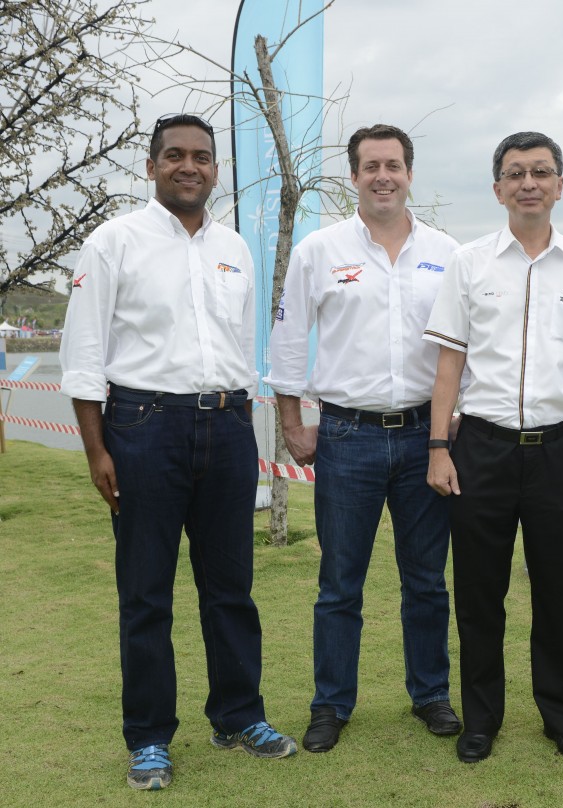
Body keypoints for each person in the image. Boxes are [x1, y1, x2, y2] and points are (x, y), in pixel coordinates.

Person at [59, 113, 296, 791]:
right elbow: (83, 355)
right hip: (142, 427)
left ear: (216, 169)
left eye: (200, 157)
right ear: (151, 165)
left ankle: (237, 716)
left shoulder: (236, 249)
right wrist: (96, 450)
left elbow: (240, 349)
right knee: (146, 594)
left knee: (230, 588)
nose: (188, 166)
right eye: (174, 156)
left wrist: (245, 423)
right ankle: (150, 740)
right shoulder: (114, 242)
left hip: (225, 428)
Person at [424, 131, 563, 764]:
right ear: (498, 188)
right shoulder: (469, 262)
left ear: (559, 185)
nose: (528, 182)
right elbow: (448, 364)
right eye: (516, 173)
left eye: (541, 172)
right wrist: (438, 446)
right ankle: (481, 719)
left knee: (556, 590)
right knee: (479, 592)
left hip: (557, 451)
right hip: (479, 446)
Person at [265, 124, 461, 753]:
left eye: (394, 165)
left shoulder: (447, 252)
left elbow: (464, 347)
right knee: (340, 581)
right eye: (371, 165)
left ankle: (430, 694)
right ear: (353, 175)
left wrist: (451, 431)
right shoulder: (319, 249)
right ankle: (331, 704)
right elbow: (291, 340)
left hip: (425, 438)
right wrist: (291, 422)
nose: (384, 176)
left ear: (410, 174)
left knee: (426, 579)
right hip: (346, 435)